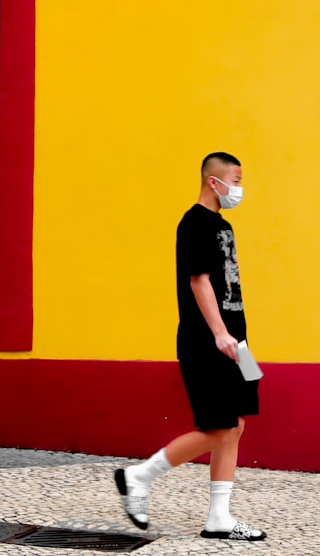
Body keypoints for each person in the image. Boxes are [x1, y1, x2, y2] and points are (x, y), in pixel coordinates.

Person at [114, 152, 265, 541]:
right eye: (235, 179)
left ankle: (219, 518)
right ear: (213, 182)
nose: (239, 187)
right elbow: (199, 281)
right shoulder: (194, 223)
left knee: (238, 425)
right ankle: (138, 476)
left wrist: (237, 339)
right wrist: (218, 333)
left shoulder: (224, 226)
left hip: (237, 341)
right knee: (220, 427)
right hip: (209, 340)